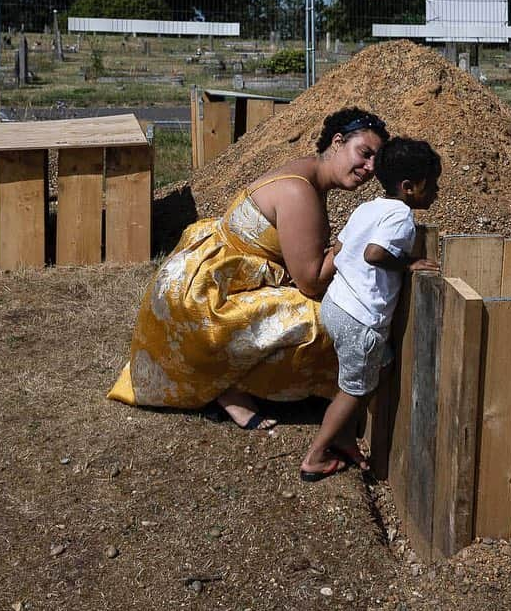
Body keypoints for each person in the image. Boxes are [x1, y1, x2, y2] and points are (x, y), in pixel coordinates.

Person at [107, 107, 390, 432]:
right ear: (337, 142)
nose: (369, 168)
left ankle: (228, 382)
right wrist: (352, 238)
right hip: (206, 304)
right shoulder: (300, 191)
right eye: (364, 154)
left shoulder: (307, 174)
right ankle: (233, 382)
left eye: (375, 162)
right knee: (328, 321)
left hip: (201, 279)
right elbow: (311, 282)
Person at [299, 137, 441, 482]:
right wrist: (411, 262)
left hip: (337, 305)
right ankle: (315, 457)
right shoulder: (401, 216)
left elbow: (342, 246)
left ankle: (347, 438)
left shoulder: (368, 208)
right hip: (360, 320)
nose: (437, 191)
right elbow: (374, 254)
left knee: (381, 366)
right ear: (409, 187)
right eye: (432, 185)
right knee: (354, 389)